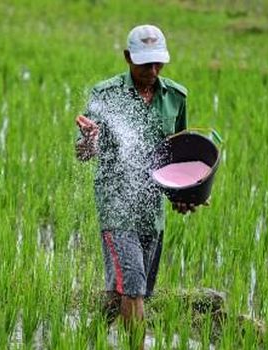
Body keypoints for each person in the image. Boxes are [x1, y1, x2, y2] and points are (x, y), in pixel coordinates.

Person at [75, 24, 203, 347]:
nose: (153, 70)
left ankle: (82, 341)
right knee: (133, 285)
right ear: (128, 57)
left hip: (152, 208)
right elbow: (83, 153)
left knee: (131, 290)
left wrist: (185, 195)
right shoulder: (106, 96)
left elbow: (179, 158)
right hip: (115, 204)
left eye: (159, 63)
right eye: (146, 63)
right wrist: (89, 141)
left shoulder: (175, 97)